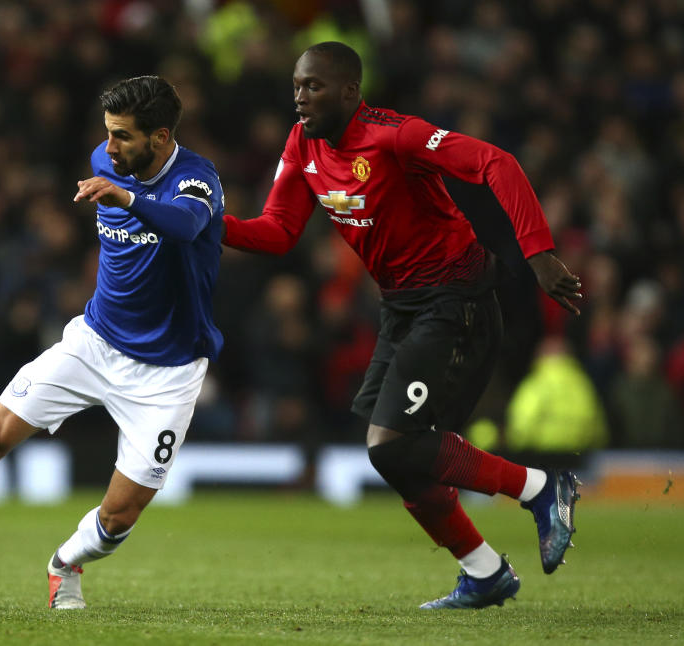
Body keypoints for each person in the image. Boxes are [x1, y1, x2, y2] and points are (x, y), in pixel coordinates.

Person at [222, 42, 583, 609]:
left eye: (313, 86)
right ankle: (485, 573)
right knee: (394, 454)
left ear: (349, 91)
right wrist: (206, 225)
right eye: (296, 85)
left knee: (394, 444)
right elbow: (277, 230)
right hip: (402, 308)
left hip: (457, 300)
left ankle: (541, 488)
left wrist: (538, 254)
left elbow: (498, 164)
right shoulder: (303, 143)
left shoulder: (396, 135)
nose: (299, 96)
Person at [0, 76, 225, 609]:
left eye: (123, 137)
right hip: (94, 341)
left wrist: (126, 196)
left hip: (168, 371)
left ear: (161, 137)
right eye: (108, 135)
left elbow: (186, 227)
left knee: (120, 517)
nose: (110, 147)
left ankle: (64, 565)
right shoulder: (107, 159)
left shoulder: (197, 180)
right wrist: (119, 184)